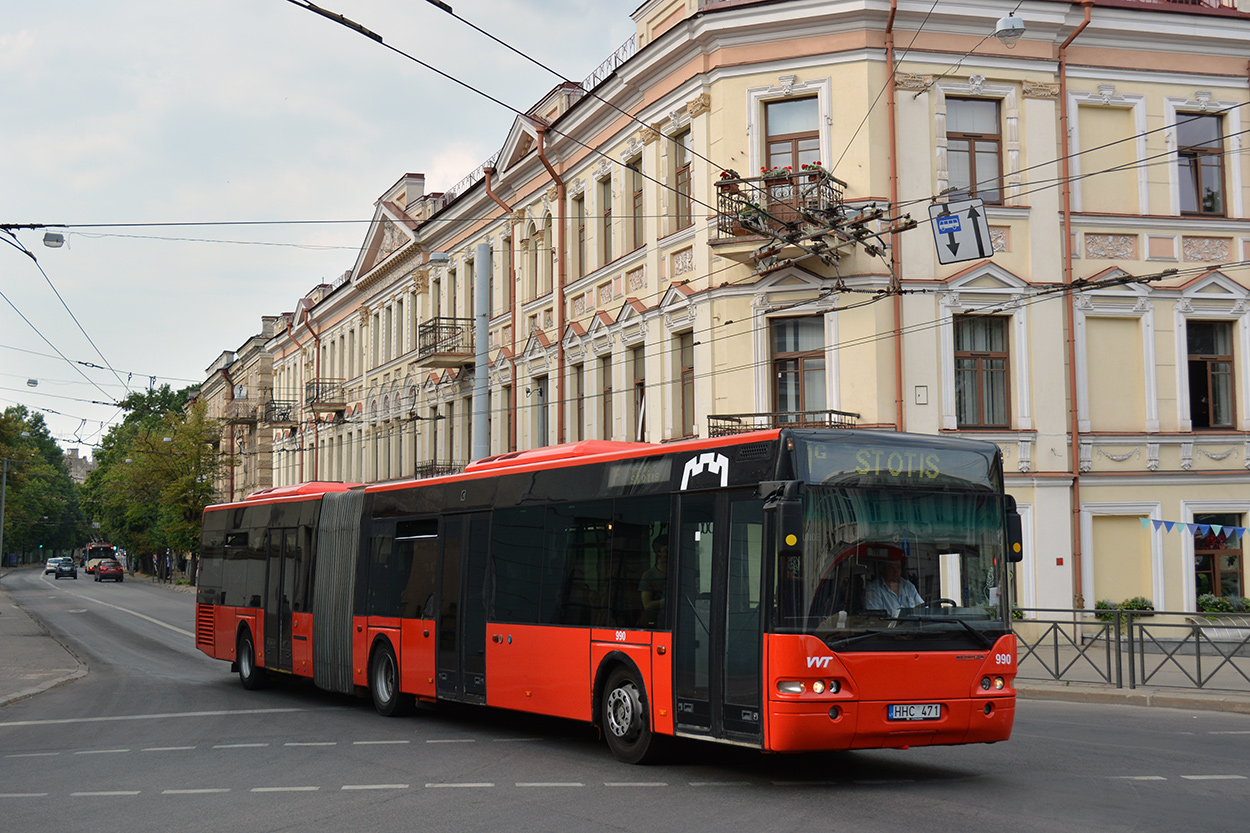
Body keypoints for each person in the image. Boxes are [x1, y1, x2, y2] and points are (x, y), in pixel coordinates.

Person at [638, 534, 668, 625]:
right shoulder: (648, 575)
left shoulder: (678, 573)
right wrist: (667, 602)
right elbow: (647, 605)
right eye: (666, 551)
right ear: (657, 553)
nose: (669, 554)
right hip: (656, 622)